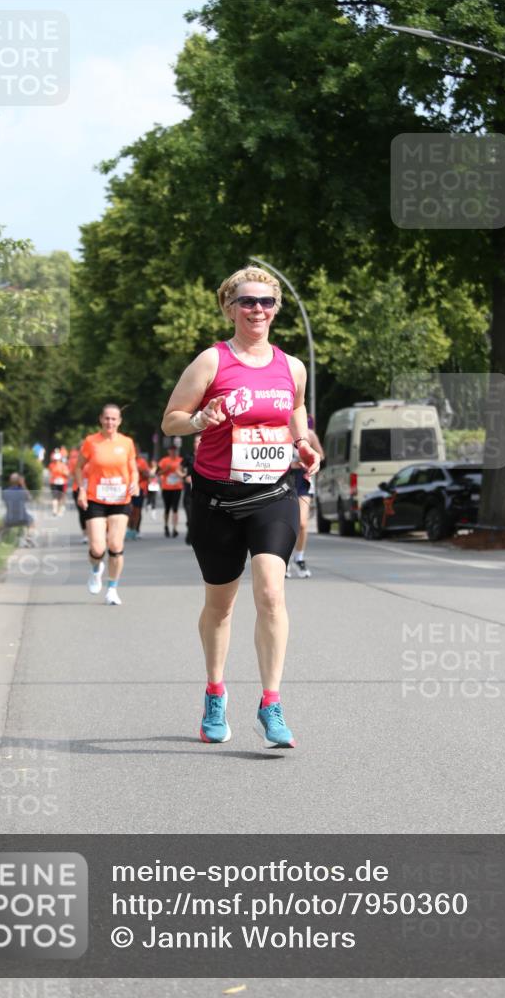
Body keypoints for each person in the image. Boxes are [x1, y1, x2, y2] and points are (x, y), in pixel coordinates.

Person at [161, 266, 321, 749]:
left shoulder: (292, 366)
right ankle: (215, 692)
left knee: (272, 593)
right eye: (248, 301)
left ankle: (271, 704)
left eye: (267, 302)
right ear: (230, 307)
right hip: (216, 500)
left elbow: (294, 409)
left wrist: (303, 442)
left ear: (276, 309)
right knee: (220, 606)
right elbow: (171, 421)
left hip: (273, 494)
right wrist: (200, 420)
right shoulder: (212, 361)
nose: (258, 310)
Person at [75, 404, 138, 606]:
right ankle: (95, 570)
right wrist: (82, 490)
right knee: (97, 548)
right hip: (96, 498)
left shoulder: (127, 443)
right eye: (107, 418)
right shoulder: (91, 442)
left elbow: (133, 469)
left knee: (116, 545)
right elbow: (78, 467)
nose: (110, 422)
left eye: (114, 419)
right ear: (100, 419)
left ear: (119, 421)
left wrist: (135, 482)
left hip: (120, 499)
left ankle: (112, 589)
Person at [286, 414, 325, 578]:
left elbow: (321, 456)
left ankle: (299, 557)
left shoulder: (309, 434)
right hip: (285, 478)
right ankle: (284, 559)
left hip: (303, 480)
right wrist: (290, 463)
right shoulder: (282, 433)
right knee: (286, 522)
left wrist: (309, 458)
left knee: (302, 523)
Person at [1, 472, 37, 547]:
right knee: (32, 522)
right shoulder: (23, 492)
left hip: (9, 519)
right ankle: (29, 537)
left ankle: (1, 538)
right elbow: (30, 498)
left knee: (3, 522)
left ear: (10, 481)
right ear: (19, 481)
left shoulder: (5, 492)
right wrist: (23, 484)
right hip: (23, 518)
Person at [158, 443, 185, 538]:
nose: (173, 452)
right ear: (168, 451)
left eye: (174, 450)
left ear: (176, 451)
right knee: (167, 508)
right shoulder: (164, 461)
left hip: (177, 487)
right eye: (171, 450)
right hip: (166, 488)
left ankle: (175, 528)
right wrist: (166, 469)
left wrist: (180, 473)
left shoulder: (180, 460)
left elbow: (184, 472)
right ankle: (166, 526)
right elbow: (158, 473)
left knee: (175, 509)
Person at [128, 450, 150, 539]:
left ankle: (136, 530)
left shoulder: (142, 462)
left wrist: (141, 470)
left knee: (137, 511)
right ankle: (129, 528)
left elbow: (147, 475)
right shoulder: (127, 461)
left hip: (140, 488)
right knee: (129, 510)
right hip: (128, 488)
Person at [68, 446, 88, 542]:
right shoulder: (74, 461)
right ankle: (85, 534)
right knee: (82, 512)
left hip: (92, 490)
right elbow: (71, 475)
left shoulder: (94, 460)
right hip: (78, 489)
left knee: (92, 512)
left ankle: (94, 533)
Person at [47, 450, 68, 516]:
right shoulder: (62, 465)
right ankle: (56, 510)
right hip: (56, 482)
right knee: (57, 497)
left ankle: (56, 510)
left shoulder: (53, 465)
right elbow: (67, 473)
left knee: (57, 497)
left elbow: (67, 473)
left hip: (59, 482)